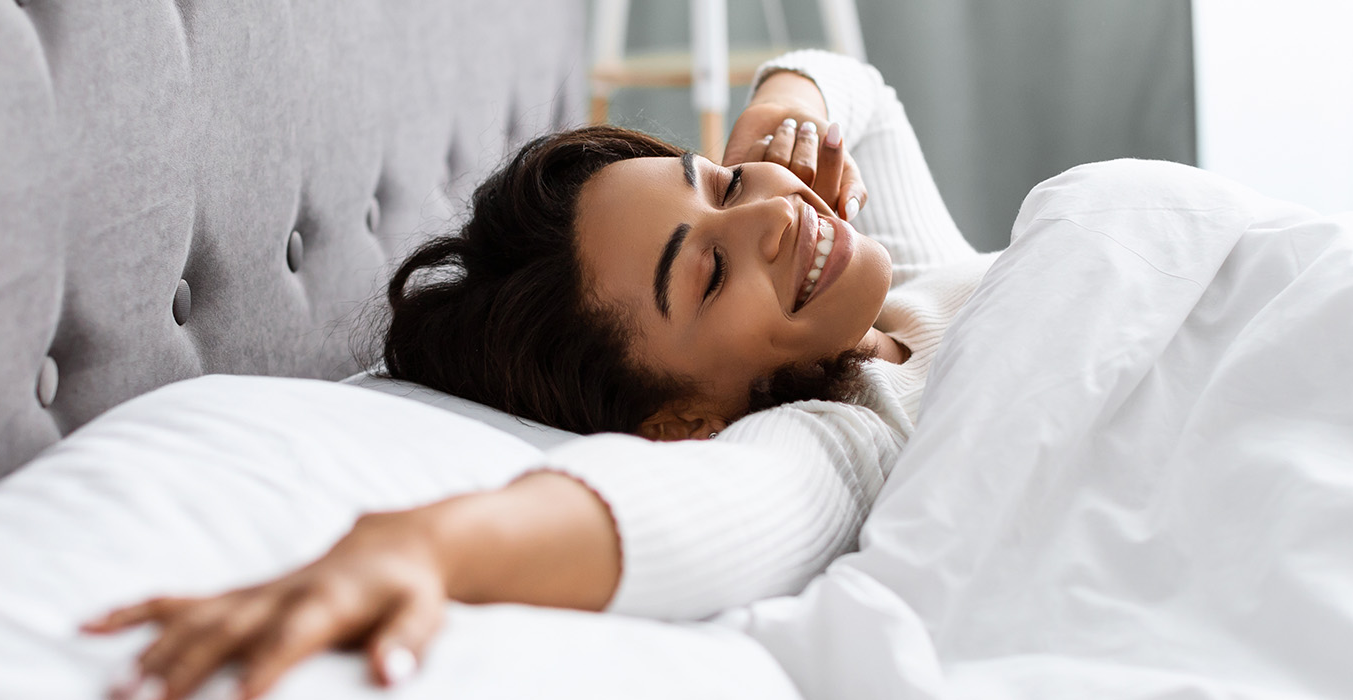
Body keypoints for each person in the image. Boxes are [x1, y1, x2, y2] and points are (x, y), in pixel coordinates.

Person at [84, 50, 994, 700]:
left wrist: (774, 119)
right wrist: (424, 545)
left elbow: (861, 93)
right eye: (710, 274)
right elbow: (691, 512)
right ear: (682, 421)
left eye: (717, 182)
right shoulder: (851, 438)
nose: (771, 215)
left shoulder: (906, 281)